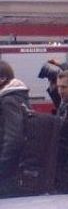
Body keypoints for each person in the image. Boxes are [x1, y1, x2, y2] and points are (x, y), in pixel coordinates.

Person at [0, 61, 29, 198]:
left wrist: (2, 169)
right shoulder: (16, 98)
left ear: (2, 79)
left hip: (8, 175)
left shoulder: (8, 101)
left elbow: (13, 138)